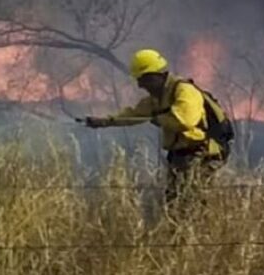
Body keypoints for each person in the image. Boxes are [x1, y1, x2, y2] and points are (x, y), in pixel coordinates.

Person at [84, 49, 223, 210]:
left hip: (201, 153)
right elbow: (134, 115)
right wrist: (104, 121)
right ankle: (179, 233)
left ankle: (196, 233)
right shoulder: (158, 98)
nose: (140, 85)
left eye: (143, 79)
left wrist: (160, 119)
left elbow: (185, 120)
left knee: (191, 202)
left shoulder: (185, 91)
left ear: (155, 75)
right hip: (180, 155)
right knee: (174, 202)